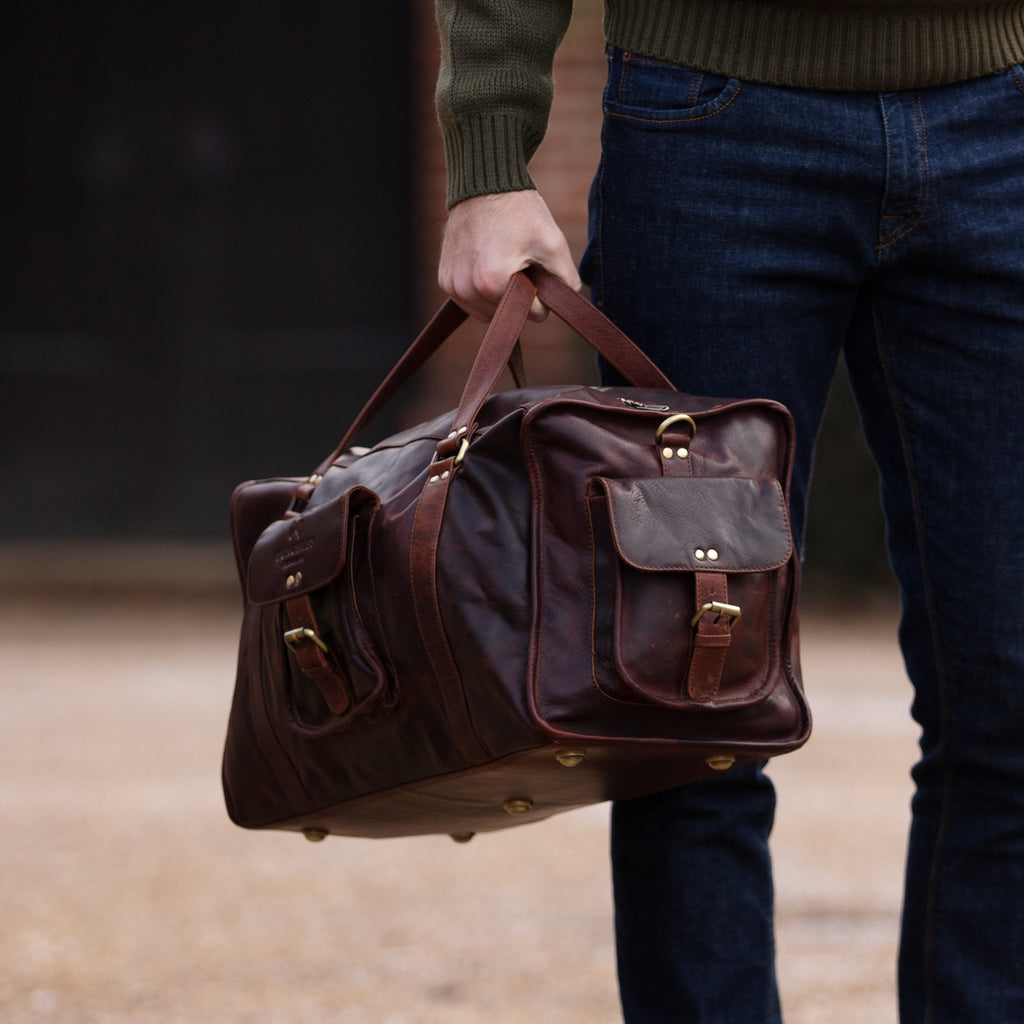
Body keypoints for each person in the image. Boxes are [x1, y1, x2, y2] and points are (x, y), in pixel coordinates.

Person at [432, 2, 1024, 1022]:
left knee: (1012, 699)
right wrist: (488, 150)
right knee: (684, 701)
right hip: (709, 125)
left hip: (1002, 120)